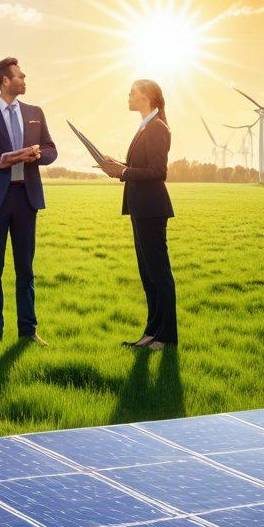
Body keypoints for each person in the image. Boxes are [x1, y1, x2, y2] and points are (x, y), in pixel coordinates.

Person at [0, 57, 57, 343]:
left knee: (25, 268)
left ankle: (28, 331)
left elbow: (51, 149)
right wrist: (0, 160)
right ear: (6, 81)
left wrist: (39, 155)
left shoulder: (35, 112)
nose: (24, 79)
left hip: (26, 198)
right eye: (20, 75)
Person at [98, 80, 177, 350]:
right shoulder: (146, 126)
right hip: (141, 208)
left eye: (132, 92)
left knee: (159, 273)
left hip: (152, 209)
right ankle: (152, 332)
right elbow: (140, 166)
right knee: (148, 274)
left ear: (146, 97)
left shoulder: (157, 128)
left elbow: (158, 172)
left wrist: (123, 172)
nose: (128, 96)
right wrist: (118, 165)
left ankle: (166, 337)